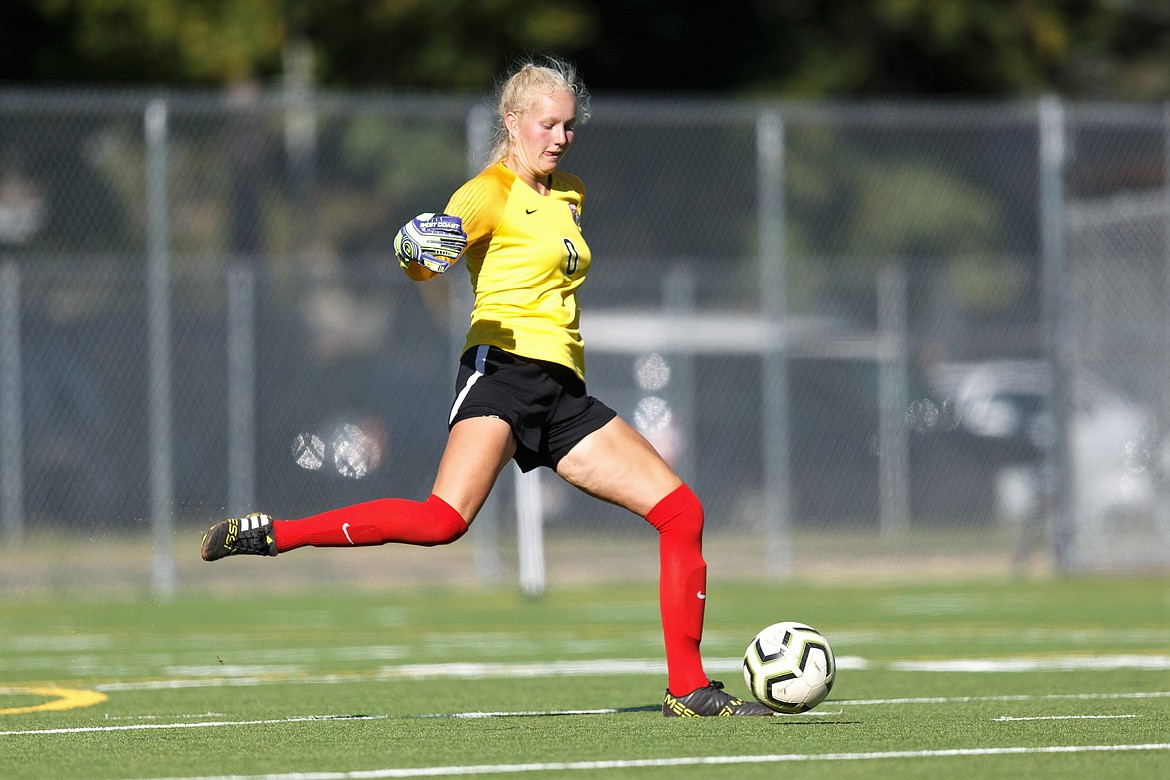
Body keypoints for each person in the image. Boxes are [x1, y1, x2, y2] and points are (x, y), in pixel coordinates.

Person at [200, 55, 769, 718]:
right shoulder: (488, 191)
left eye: (568, 126)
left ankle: (687, 688)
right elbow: (425, 258)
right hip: (501, 374)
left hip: (563, 392)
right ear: (512, 121)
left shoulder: (571, 194)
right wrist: (413, 248)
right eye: (547, 124)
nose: (559, 137)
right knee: (442, 521)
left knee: (682, 513)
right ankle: (274, 533)